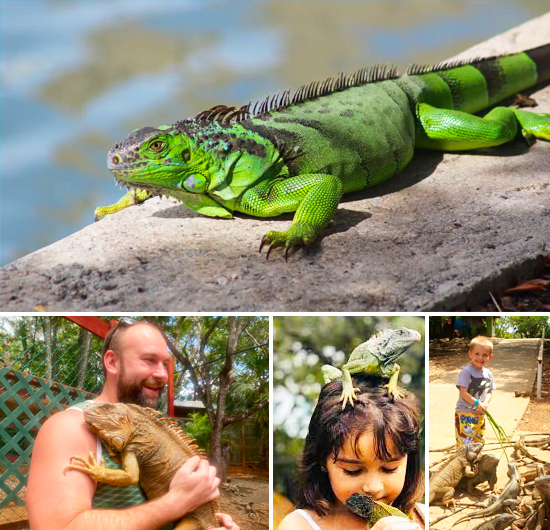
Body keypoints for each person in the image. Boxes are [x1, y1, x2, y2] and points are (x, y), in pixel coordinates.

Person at [26, 320, 239, 530]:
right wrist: (176, 502)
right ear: (112, 362)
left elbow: (149, 509)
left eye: (165, 364)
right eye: (149, 360)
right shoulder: (69, 428)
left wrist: (205, 518)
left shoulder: (146, 428)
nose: (163, 374)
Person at [278, 375, 424, 530]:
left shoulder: (422, 517)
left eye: (389, 469)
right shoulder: (299, 525)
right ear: (322, 461)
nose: (373, 487)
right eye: (353, 471)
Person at [455, 335, 495, 446]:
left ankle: (477, 461)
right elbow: (463, 392)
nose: (480, 358)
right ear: (470, 354)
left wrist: (485, 403)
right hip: (465, 412)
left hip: (480, 413)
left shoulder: (489, 374)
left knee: (479, 441)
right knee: (466, 442)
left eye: (484, 355)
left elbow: (490, 392)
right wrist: (477, 402)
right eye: (477, 354)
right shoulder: (467, 372)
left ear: (490, 357)